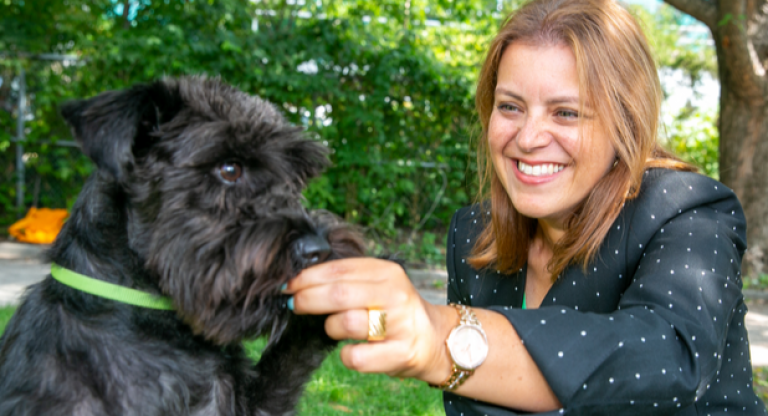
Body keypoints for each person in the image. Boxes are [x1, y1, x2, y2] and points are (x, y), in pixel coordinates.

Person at [284, 0, 768, 414]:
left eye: (566, 113)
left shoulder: (688, 212)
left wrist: (444, 339)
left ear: (625, 123)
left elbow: (667, 359)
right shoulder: (473, 233)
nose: (529, 138)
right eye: (511, 106)